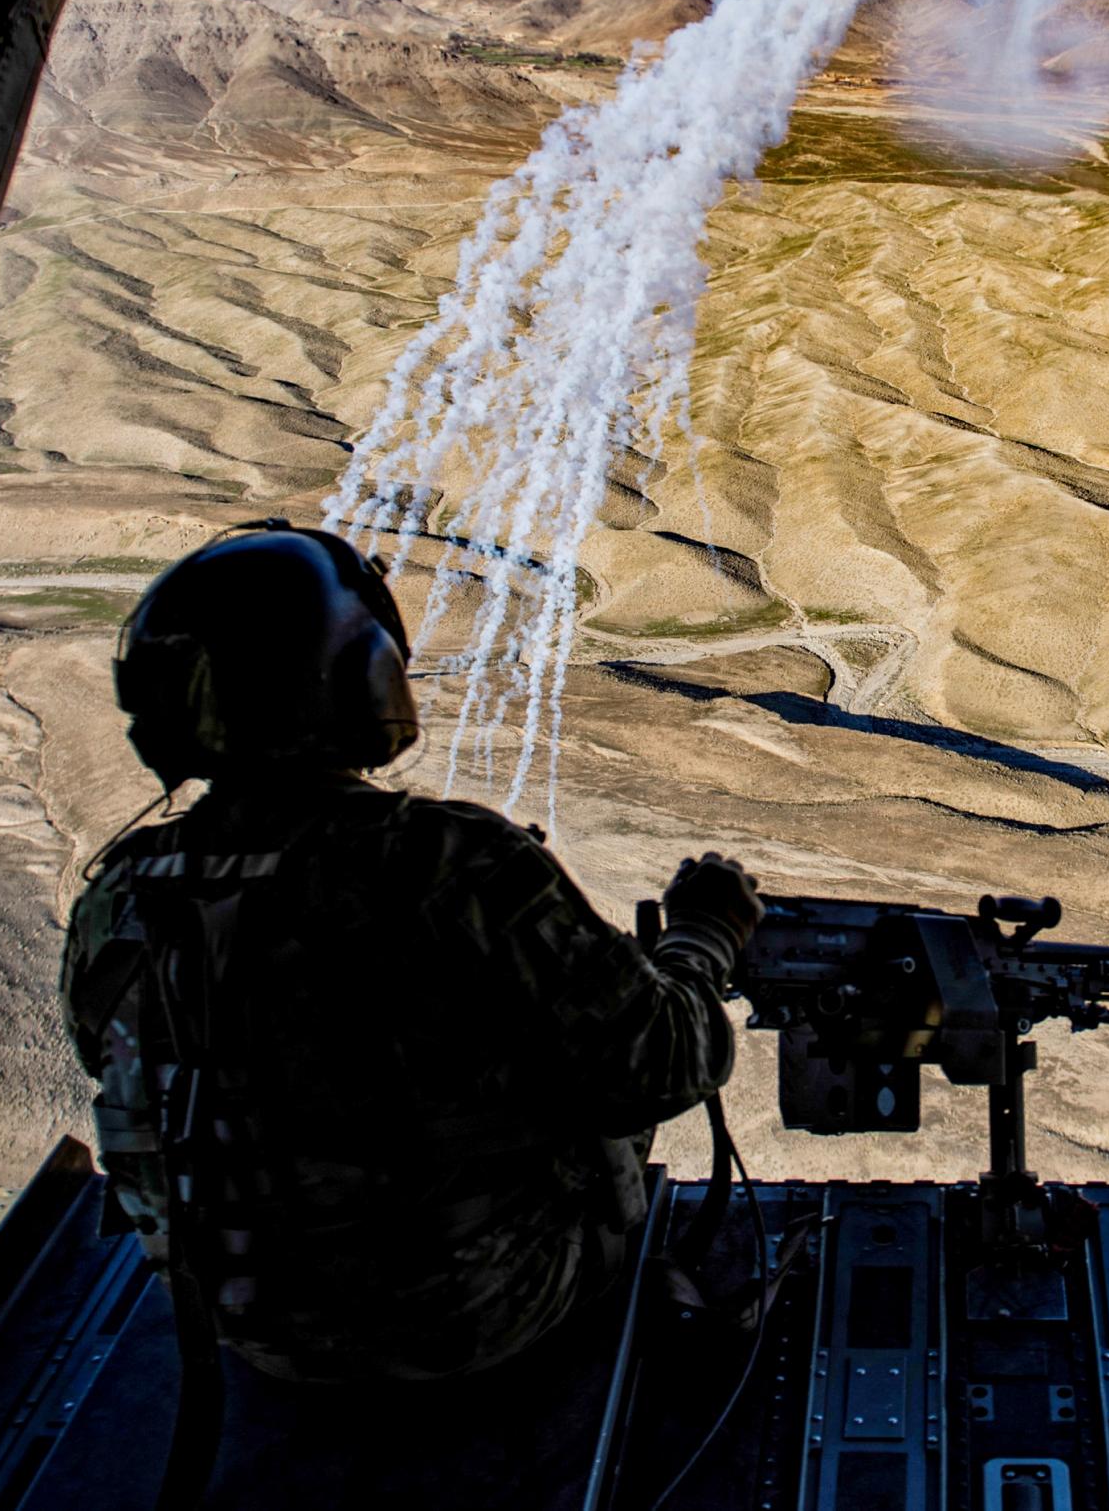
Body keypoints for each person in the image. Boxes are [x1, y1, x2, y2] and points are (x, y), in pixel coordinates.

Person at [60, 520, 761, 1385]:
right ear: (363, 677)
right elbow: (664, 1063)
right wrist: (705, 935)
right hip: (476, 1318)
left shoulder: (119, 895)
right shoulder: (444, 861)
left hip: (254, 1335)